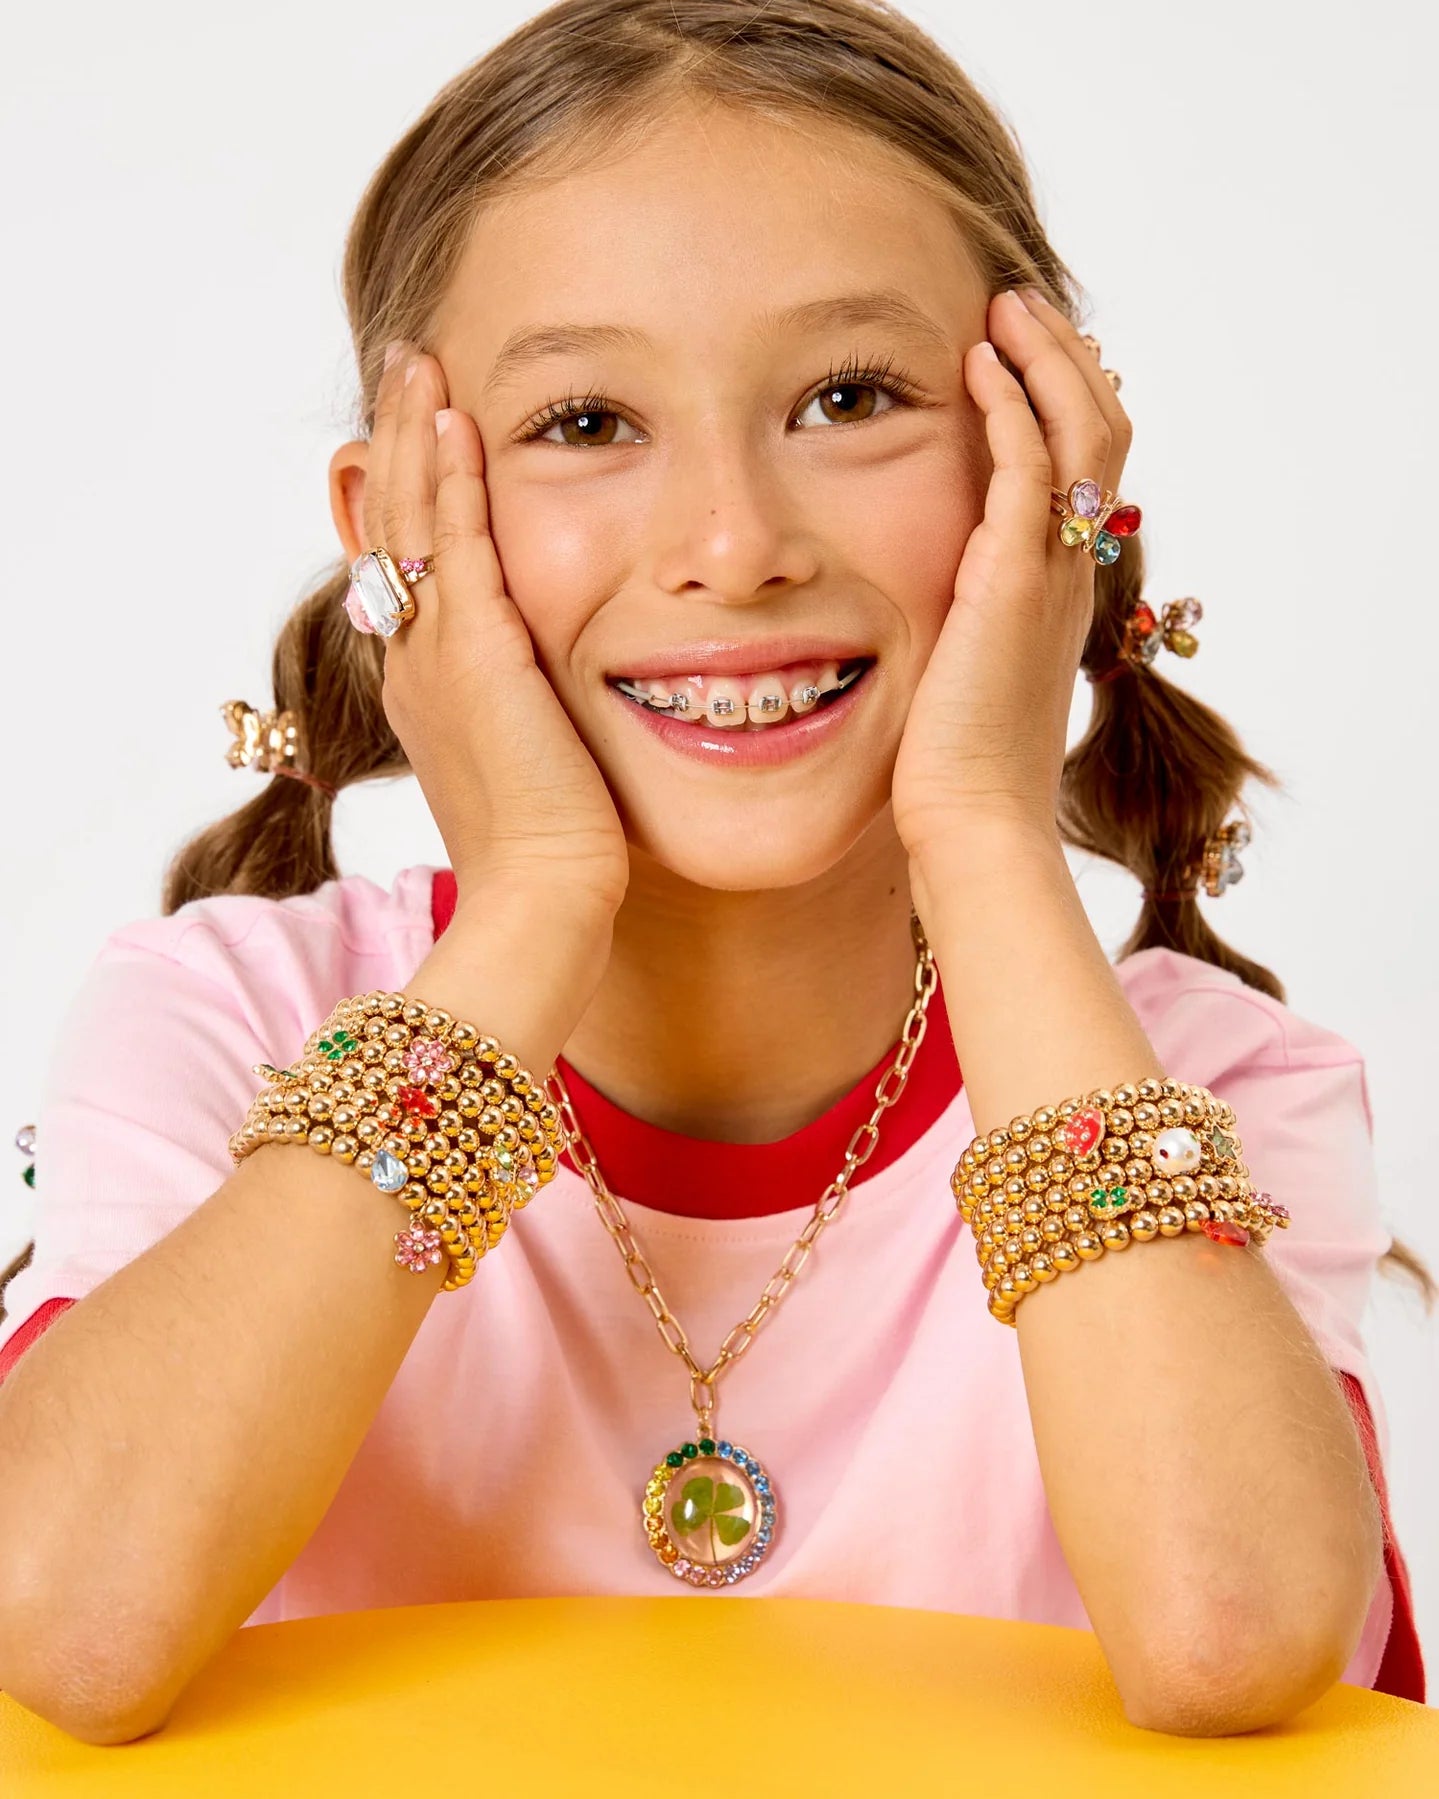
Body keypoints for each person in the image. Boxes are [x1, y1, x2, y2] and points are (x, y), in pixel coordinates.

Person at [0, 0, 1428, 1748]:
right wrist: (526, 898)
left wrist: (984, 823)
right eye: (587, 422)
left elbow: (1232, 1639)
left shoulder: (1201, 1082)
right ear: (396, 525)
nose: (735, 547)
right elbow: (71, 1625)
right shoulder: (229, 1023)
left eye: (849, 398)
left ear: (1045, 466)